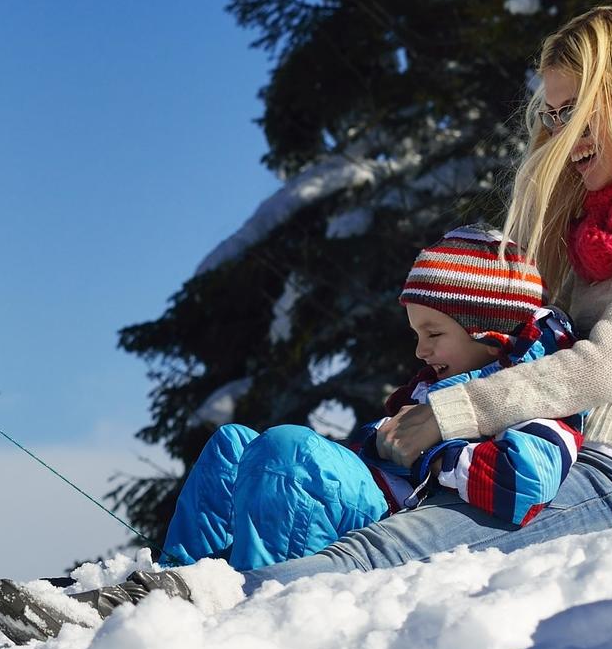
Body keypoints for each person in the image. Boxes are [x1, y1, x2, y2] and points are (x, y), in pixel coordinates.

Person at [0, 3, 612, 643]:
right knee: (297, 490)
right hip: (535, 453)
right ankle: (131, 599)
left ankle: (170, 620)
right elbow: (529, 342)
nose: (560, 133)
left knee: (370, 561)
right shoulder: (586, 222)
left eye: (576, 112)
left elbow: (598, 368)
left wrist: (452, 413)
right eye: (552, 114)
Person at [156, 228, 582, 571]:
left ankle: (260, 588)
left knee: (289, 453)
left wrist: (429, 450)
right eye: (417, 335)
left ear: (491, 333)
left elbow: (525, 483)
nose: (421, 350)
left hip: (401, 518)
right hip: (377, 490)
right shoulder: (435, 386)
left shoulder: (530, 386)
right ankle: (184, 577)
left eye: (434, 334)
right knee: (232, 443)